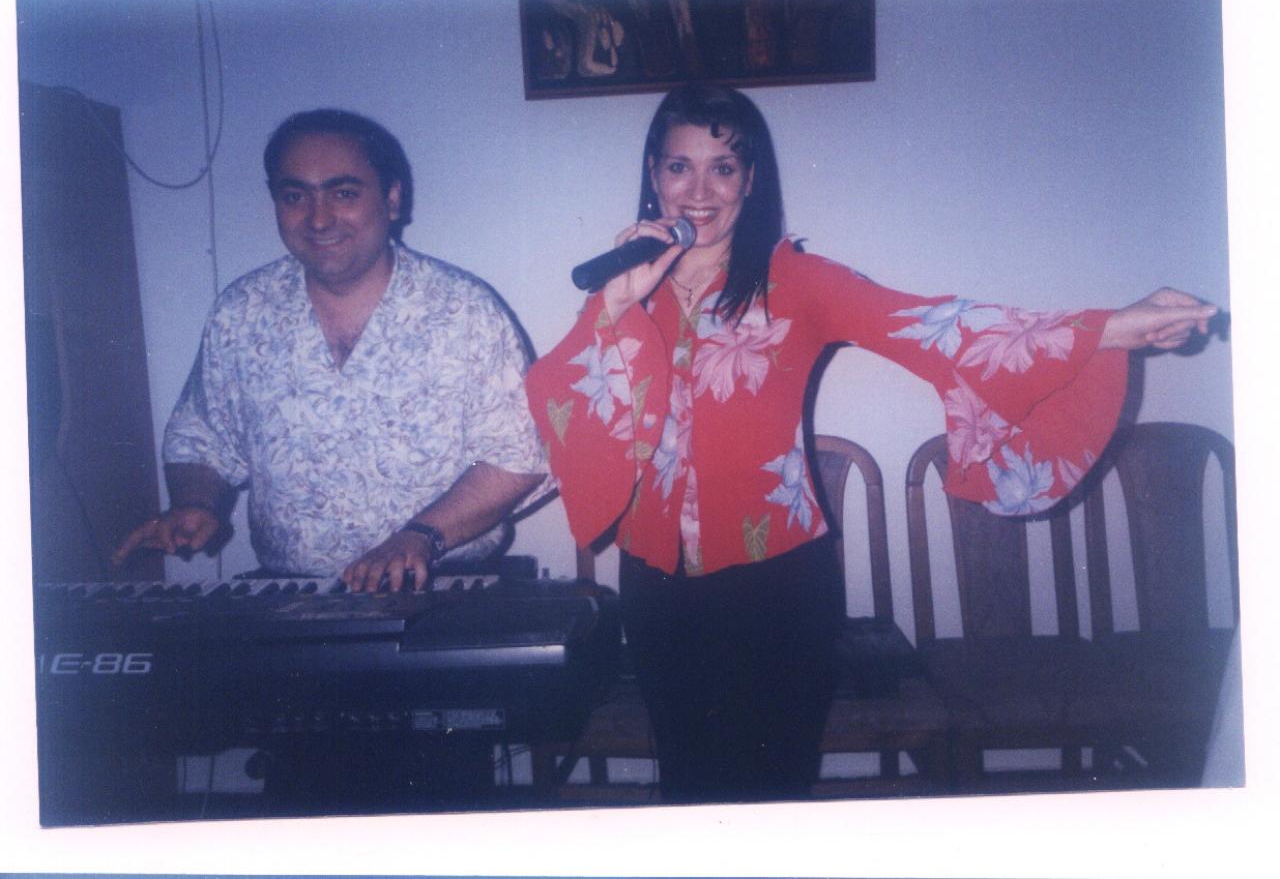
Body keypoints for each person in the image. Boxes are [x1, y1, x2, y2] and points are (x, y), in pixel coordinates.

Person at [525, 83, 1218, 803]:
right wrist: (614, 303)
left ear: (750, 180)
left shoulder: (797, 279)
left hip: (776, 586)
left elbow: (934, 327)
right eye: (679, 166)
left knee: (770, 796)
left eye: (722, 167)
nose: (699, 191)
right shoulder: (625, 286)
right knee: (689, 793)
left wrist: (1111, 328)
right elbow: (566, 407)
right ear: (654, 174)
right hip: (658, 586)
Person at [113, 109, 547, 592]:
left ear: (392, 199)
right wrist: (196, 503)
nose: (318, 219)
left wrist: (420, 537)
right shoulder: (240, 312)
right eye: (295, 196)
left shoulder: (465, 310)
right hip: (293, 593)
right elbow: (202, 440)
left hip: (442, 584)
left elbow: (518, 456)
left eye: (343, 194)